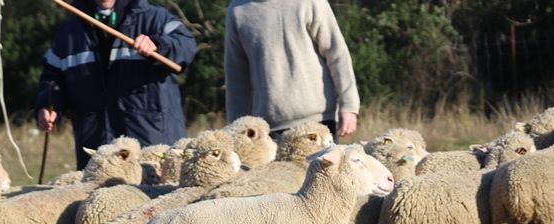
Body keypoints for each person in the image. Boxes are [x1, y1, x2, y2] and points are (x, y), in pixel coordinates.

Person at [35, 0, 197, 170]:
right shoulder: (68, 32)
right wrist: (47, 104)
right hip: (96, 155)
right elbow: (51, 77)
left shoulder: (156, 18)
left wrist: (158, 44)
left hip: (151, 153)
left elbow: (186, 46)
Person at [224, 0, 359, 140]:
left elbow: (336, 53)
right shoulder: (238, 10)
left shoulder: (309, 2)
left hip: (318, 121)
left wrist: (349, 105)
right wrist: (237, 128)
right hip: (266, 130)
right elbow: (236, 75)